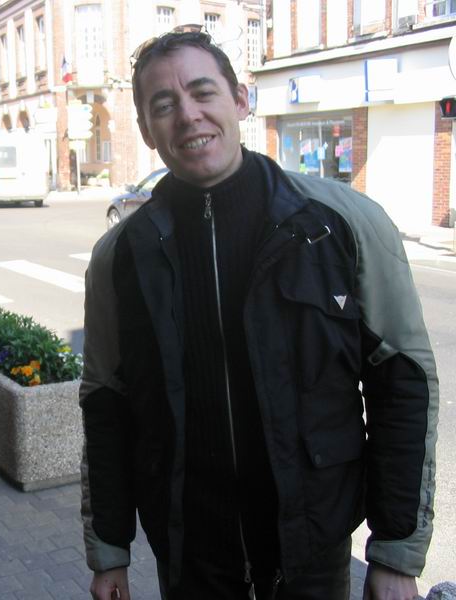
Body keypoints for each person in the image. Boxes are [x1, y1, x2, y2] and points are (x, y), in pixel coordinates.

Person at [80, 29, 438, 600]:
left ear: (241, 99)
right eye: (164, 105)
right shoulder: (120, 256)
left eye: (203, 92)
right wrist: (109, 551)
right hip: (191, 558)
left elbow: (404, 381)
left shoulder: (343, 224)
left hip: (314, 553)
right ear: (146, 129)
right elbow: (107, 405)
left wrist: (396, 551)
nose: (188, 115)